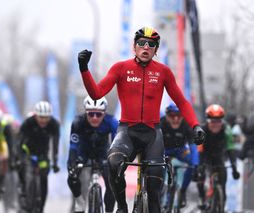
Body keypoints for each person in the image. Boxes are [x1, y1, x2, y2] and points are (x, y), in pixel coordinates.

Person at [77, 26, 205, 213]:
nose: (146, 47)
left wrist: (196, 126)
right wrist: (84, 69)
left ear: (155, 49)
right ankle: (121, 207)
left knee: (154, 191)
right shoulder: (121, 68)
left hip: (153, 134)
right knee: (113, 163)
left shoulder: (163, 72)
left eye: (151, 44)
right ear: (134, 47)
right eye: (141, 43)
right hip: (127, 131)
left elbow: (182, 102)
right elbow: (96, 94)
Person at [67, 96, 118, 213]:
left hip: (103, 153)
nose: (94, 118)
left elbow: (116, 145)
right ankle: (79, 201)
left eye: (98, 114)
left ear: (104, 114)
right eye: (91, 114)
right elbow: (73, 146)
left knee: (113, 181)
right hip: (83, 152)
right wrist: (71, 164)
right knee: (72, 174)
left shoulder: (112, 122)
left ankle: (109, 210)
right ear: (86, 113)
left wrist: (116, 162)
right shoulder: (78, 122)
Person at [17, 101, 60, 212]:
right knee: (28, 175)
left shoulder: (54, 124)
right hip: (28, 153)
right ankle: (24, 192)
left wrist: (55, 162)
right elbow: (19, 141)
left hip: (43, 155)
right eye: (41, 117)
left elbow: (55, 144)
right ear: (35, 115)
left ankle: (41, 207)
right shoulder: (28, 123)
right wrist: (19, 158)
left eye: (46, 117)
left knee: (43, 178)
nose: (43, 120)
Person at [197, 104, 240, 209]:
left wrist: (234, 166)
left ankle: (221, 205)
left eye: (218, 121)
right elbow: (199, 150)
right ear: (208, 121)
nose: (216, 124)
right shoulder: (201, 130)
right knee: (200, 176)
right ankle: (202, 197)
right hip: (205, 156)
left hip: (218, 157)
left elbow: (231, 148)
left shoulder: (227, 129)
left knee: (223, 187)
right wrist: (199, 167)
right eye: (213, 121)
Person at [161, 103, 199, 208]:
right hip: (164, 150)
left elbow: (193, 148)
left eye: (179, 115)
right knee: (157, 168)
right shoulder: (161, 123)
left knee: (193, 164)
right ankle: (159, 193)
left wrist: (196, 166)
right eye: (172, 116)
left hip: (180, 151)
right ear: (167, 116)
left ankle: (182, 191)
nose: (176, 119)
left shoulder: (186, 125)